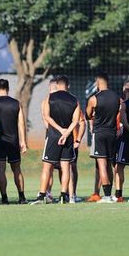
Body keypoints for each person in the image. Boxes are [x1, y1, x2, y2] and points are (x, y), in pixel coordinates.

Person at [33, 76, 80, 204]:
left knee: (47, 166)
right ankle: (64, 195)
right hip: (68, 137)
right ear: (68, 86)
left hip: (53, 135)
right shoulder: (75, 100)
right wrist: (66, 133)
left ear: (57, 85)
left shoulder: (50, 98)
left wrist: (60, 131)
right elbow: (76, 121)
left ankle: (42, 195)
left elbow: (46, 117)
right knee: (66, 167)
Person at [0, 79, 28, 204]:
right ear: (8, 88)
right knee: (16, 169)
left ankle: (4, 198)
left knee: (1, 169)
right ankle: (21, 197)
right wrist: (23, 142)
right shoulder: (16, 103)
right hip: (13, 140)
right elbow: (21, 124)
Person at [85, 74, 120, 204]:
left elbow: (88, 115)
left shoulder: (94, 99)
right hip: (112, 133)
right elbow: (118, 112)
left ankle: (106, 196)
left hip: (99, 133)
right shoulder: (117, 98)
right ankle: (110, 194)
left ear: (98, 82)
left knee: (102, 165)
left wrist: (94, 113)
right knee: (110, 164)